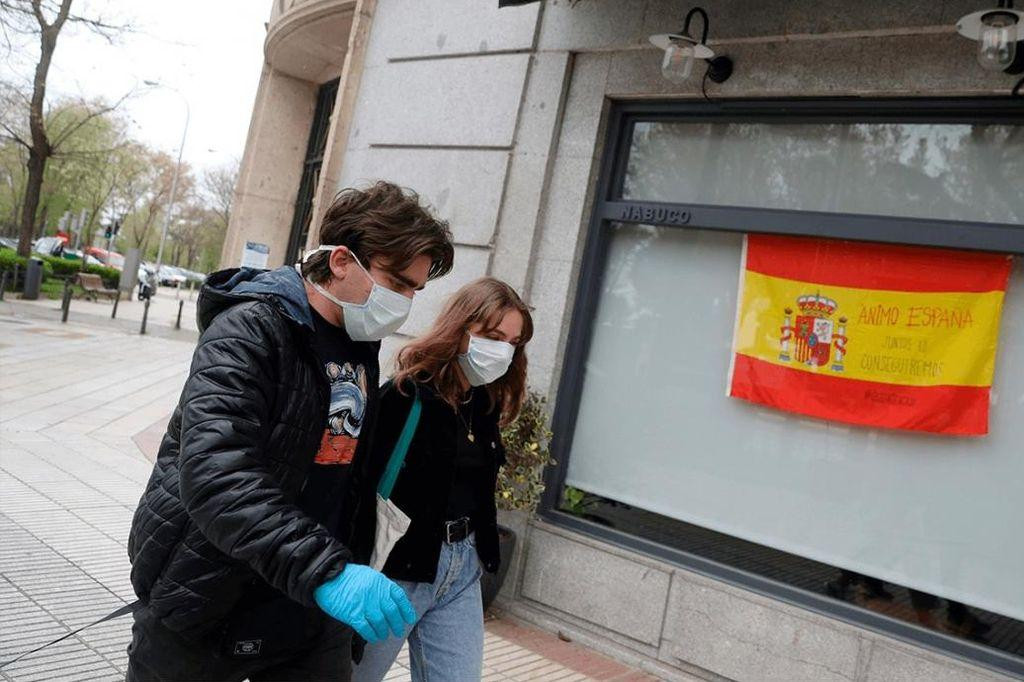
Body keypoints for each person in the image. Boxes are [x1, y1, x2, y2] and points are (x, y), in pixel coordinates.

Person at [125, 181, 454, 682]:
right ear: (342, 260)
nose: (405, 300)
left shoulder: (358, 339)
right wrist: (328, 571)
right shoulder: (249, 329)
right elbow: (217, 475)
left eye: (415, 289)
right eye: (397, 281)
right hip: (208, 597)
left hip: (309, 613)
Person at [348, 277, 533, 682]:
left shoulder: (482, 403)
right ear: (461, 328)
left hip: (463, 568)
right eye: (492, 335)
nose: (501, 349)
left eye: (512, 342)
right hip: (397, 569)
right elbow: (357, 487)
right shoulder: (404, 397)